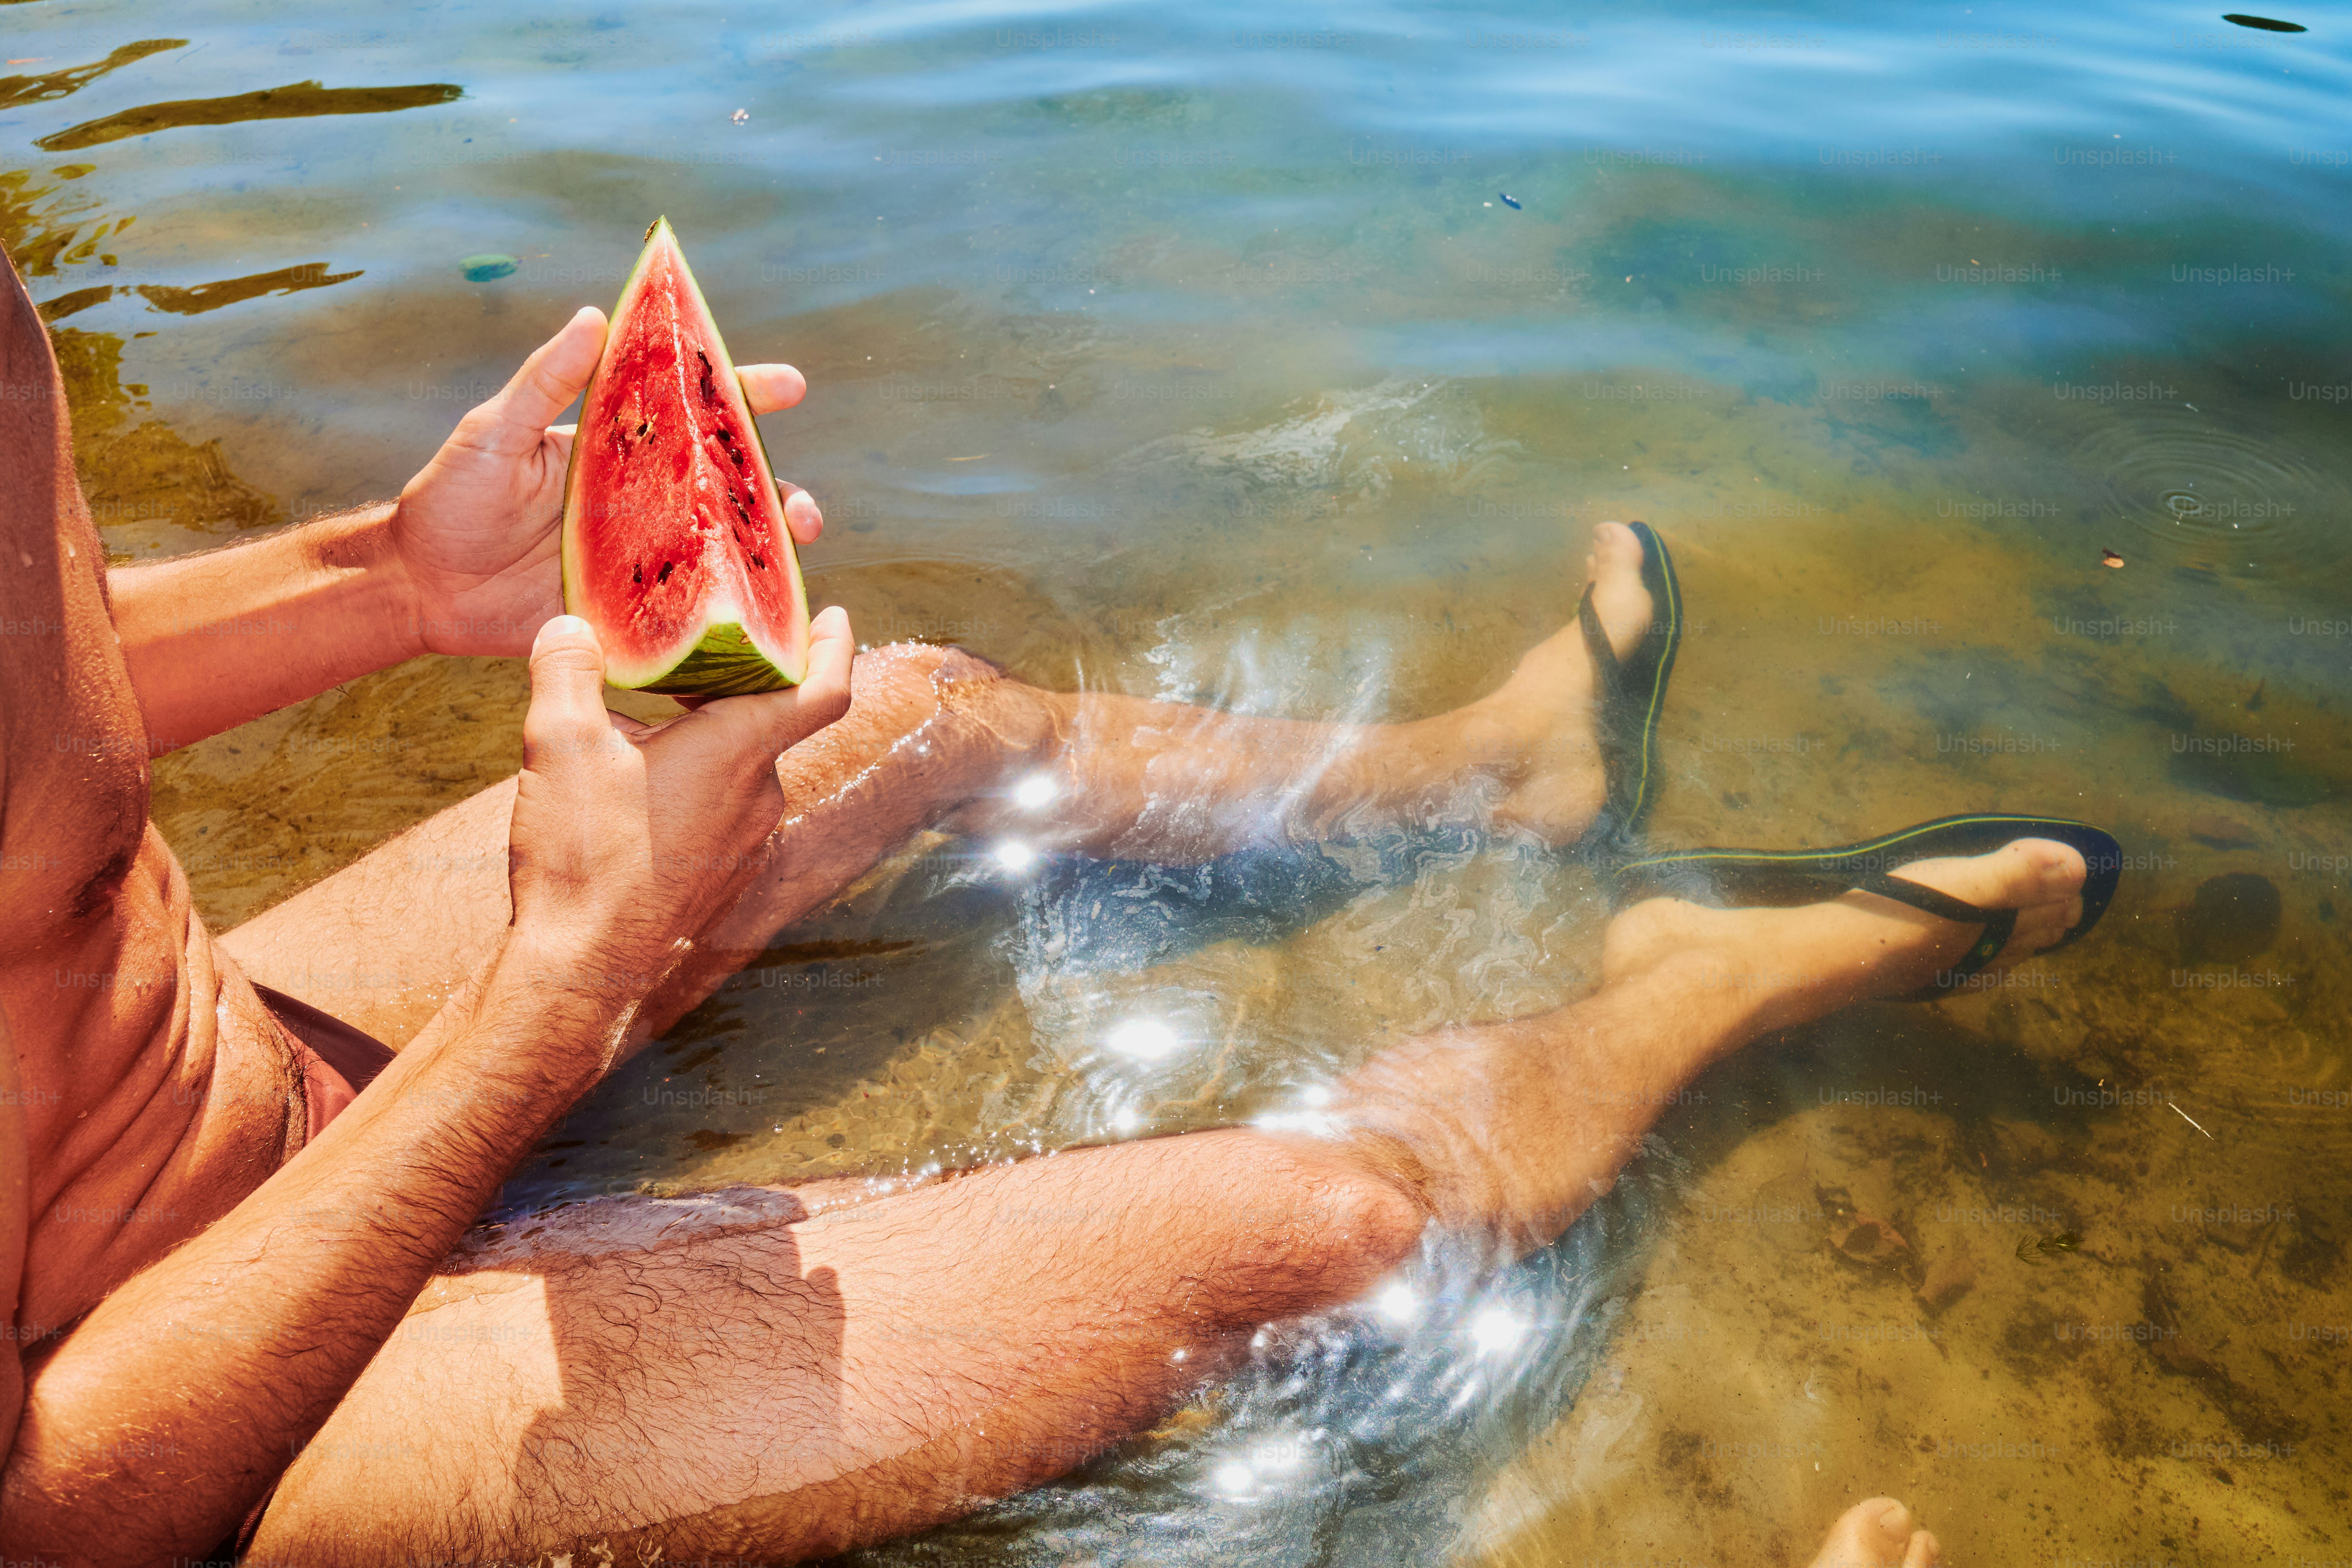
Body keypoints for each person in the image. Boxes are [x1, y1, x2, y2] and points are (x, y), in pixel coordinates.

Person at [0, 251, 2076, 1567]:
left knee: (900, 717)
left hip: (209, 1078)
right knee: (1328, 1229)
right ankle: (1677, 987)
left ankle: (1495, 781)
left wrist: (376, 583)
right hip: (164, 1424)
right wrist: (551, 990)